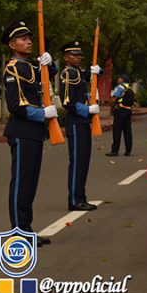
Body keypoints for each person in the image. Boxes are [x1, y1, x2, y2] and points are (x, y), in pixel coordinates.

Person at [1, 20, 57, 246]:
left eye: (29, 38)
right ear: (12, 44)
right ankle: (18, 231)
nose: (29, 42)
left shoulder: (31, 67)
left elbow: (47, 76)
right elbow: (15, 106)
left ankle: (26, 228)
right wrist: (42, 114)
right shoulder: (13, 69)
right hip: (22, 131)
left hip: (34, 132)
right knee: (21, 184)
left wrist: (50, 64)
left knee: (30, 184)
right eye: (23, 39)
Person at [59, 40, 101, 211]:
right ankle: (75, 200)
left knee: (83, 161)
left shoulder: (78, 72)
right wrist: (87, 109)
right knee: (77, 162)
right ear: (66, 57)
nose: (78, 58)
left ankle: (80, 197)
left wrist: (97, 71)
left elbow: (91, 75)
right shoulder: (68, 74)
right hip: (76, 122)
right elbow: (67, 102)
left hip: (82, 122)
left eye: (79, 55)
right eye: (74, 55)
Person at [105, 74, 134, 157]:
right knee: (127, 131)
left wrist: (111, 107)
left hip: (120, 111)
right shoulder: (129, 88)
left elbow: (114, 99)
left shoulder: (120, 87)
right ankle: (128, 150)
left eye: (119, 78)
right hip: (128, 111)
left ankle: (115, 150)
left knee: (117, 131)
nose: (117, 79)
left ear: (122, 79)